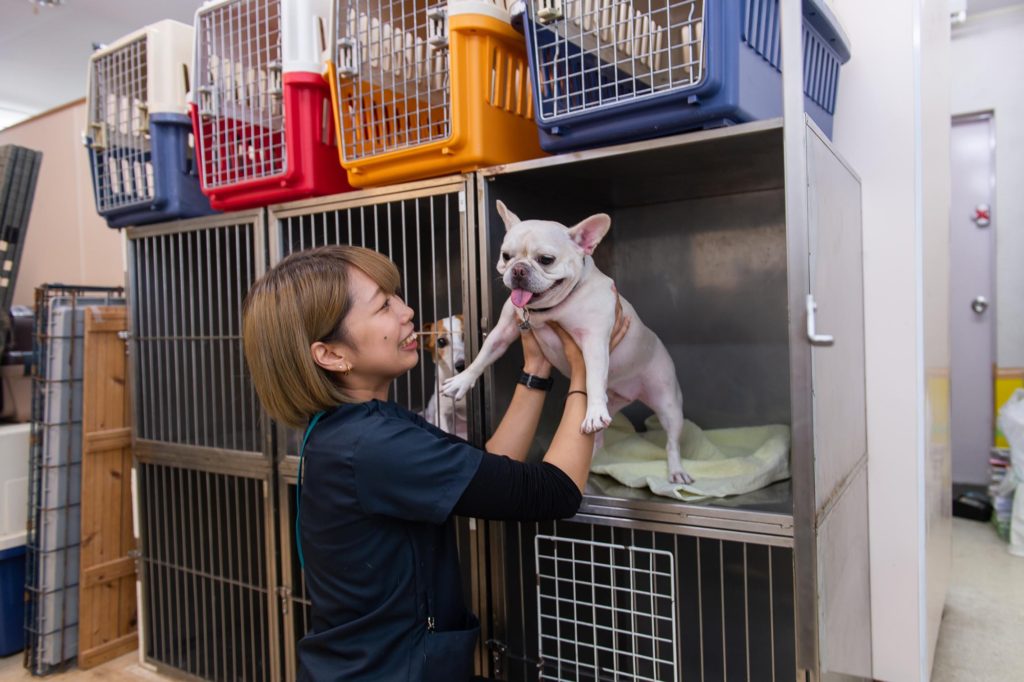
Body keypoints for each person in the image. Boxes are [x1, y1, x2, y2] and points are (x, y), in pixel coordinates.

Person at [242, 245, 628, 682]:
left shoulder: (360, 426)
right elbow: (555, 492)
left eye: (396, 296)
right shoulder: (374, 446)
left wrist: (536, 370)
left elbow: (487, 467)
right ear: (331, 355)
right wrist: (585, 373)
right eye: (384, 305)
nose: (407, 311)